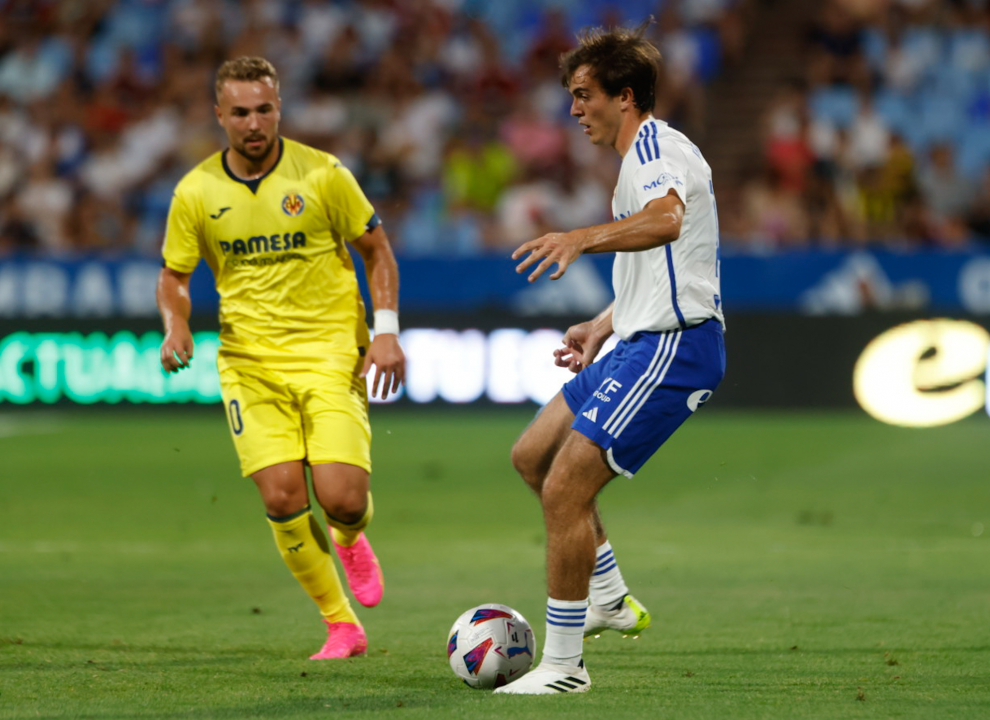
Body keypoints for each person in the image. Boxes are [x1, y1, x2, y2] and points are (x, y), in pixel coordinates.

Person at [494, 25, 726, 695]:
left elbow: (667, 222)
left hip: (674, 347)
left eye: (582, 94)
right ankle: (611, 598)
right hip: (637, 335)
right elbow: (662, 265)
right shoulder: (640, 158)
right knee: (532, 457)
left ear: (624, 96)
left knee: (567, 488)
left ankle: (563, 669)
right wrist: (601, 323)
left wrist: (579, 237)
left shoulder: (654, 147)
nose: (574, 109)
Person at [156, 57, 405, 660]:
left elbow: (376, 251)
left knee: (342, 497)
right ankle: (341, 625)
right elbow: (174, 274)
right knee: (282, 497)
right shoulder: (195, 192)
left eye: (263, 109)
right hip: (249, 362)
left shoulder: (323, 174)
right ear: (220, 116)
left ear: (278, 110)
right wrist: (176, 324)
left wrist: (387, 331)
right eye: (239, 112)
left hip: (328, 353)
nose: (252, 123)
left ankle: (349, 536)